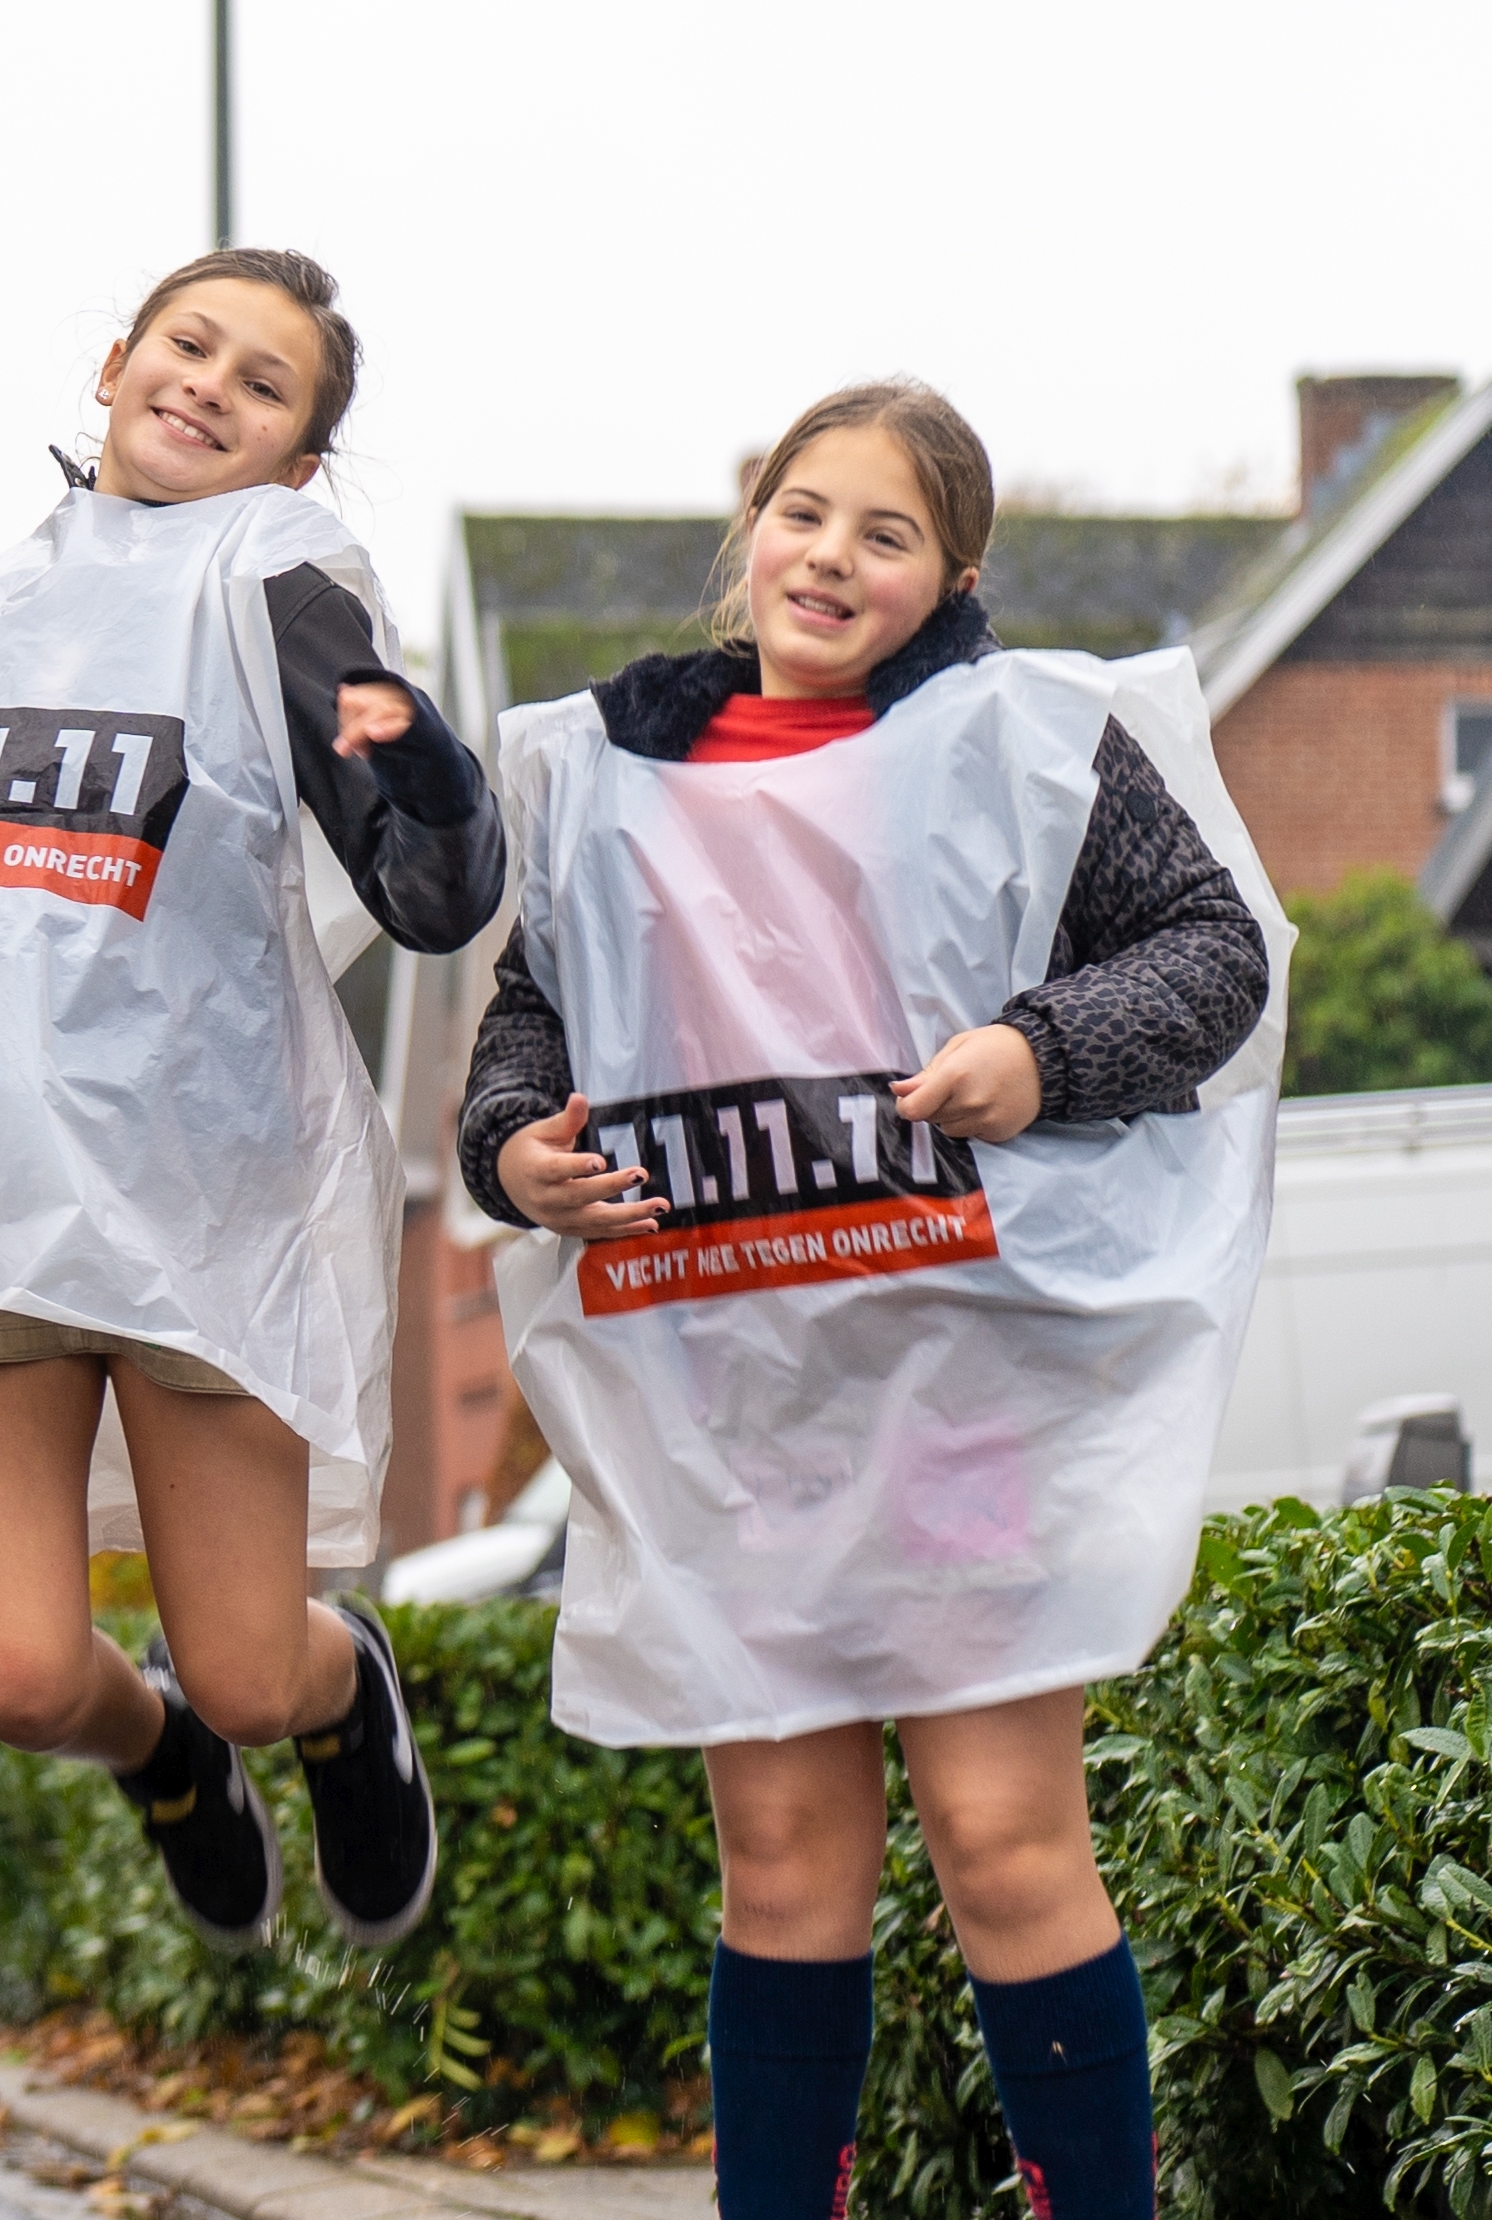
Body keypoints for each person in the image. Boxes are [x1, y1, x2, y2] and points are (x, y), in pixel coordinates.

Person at [464, 383, 1271, 2220]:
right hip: (735, 1411)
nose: (831, 555)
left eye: (885, 532)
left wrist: (1036, 1047)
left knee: (1004, 1846)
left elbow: (1212, 956)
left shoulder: (1030, 744)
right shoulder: (598, 770)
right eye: (803, 511)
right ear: (749, 527)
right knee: (779, 1866)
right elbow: (534, 1015)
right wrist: (516, 1147)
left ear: (955, 576)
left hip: (972, 1395)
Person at [0, 248, 485, 1955]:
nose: (212, 382)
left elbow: (399, 809)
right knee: (10, 1678)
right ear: (112, 362)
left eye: (266, 382)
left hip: (198, 1206)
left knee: (250, 1663)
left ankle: (337, 1684)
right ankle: (159, 1756)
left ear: (297, 463)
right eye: (189, 341)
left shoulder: (274, 579)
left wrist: (415, 766)